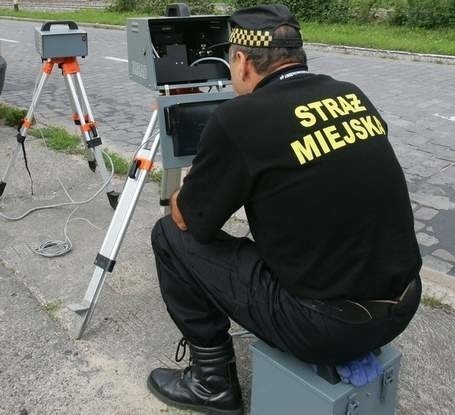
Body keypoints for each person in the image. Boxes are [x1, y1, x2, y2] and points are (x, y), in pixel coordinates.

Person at [148, 4, 422, 414]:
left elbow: (192, 221)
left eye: (228, 60)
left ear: (241, 60)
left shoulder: (239, 117)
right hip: (403, 303)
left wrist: (198, 171)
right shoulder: (350, 93)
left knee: (168, 234)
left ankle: (212, 383)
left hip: (328, 328)